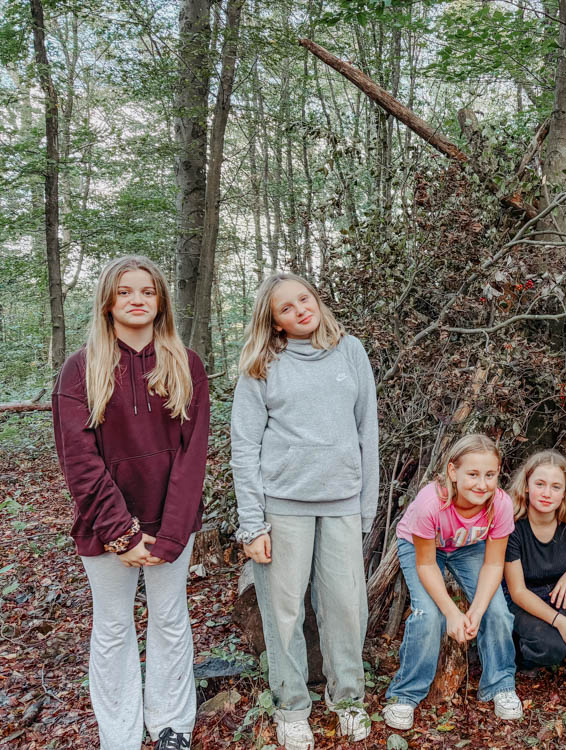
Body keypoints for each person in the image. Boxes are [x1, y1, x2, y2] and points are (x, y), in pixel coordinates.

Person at [53, 256, 209, 750]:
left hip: (172, 527)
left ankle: (171, 725)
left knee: (169, 619)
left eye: (147, 290)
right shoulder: (80, 370)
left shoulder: (186, 364)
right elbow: (79, 462)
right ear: (108, 301)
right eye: (125, 291)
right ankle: (118, 735)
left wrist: (171, 533)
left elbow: (192, 457)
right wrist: (120, 533)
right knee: (114, 627)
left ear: (161, 300)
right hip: (104, 528)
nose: (137, 299)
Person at [231, 272, 377, 748]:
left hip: (341, 503)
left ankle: (349, 698)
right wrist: (252, 523)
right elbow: (244, 445)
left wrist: (366, 509)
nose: (299, 310)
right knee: (284, 612)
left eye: (303, 299)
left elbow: (366, 432)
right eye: (285, 308)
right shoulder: (262, 364)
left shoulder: (350, 351)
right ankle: (292, 706)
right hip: (282, 507)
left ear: (316, 300)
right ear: (273, 323)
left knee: (345, 608)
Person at [383, 434, 522, 730]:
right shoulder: (430, 503)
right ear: (452, 472)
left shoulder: (500, 504)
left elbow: (494, 563)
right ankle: (404, 694)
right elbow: (426, 564)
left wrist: (477, 609)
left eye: (490, 475)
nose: (482, 484)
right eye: (472, 474)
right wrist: (452, 612)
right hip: (422, 548)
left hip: (468, 547)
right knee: (428, 615)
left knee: (497, 610)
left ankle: (500, 685)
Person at [504, 450, 566, 712]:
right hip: (525, 598)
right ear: (526, 487)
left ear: (565, 492)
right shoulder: (513, 527)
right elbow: (517, 592)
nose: (547, 493)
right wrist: (560, 622)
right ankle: (524, 654)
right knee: (551, 648)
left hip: (560, 588)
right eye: (540, 484)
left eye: (556, 486)